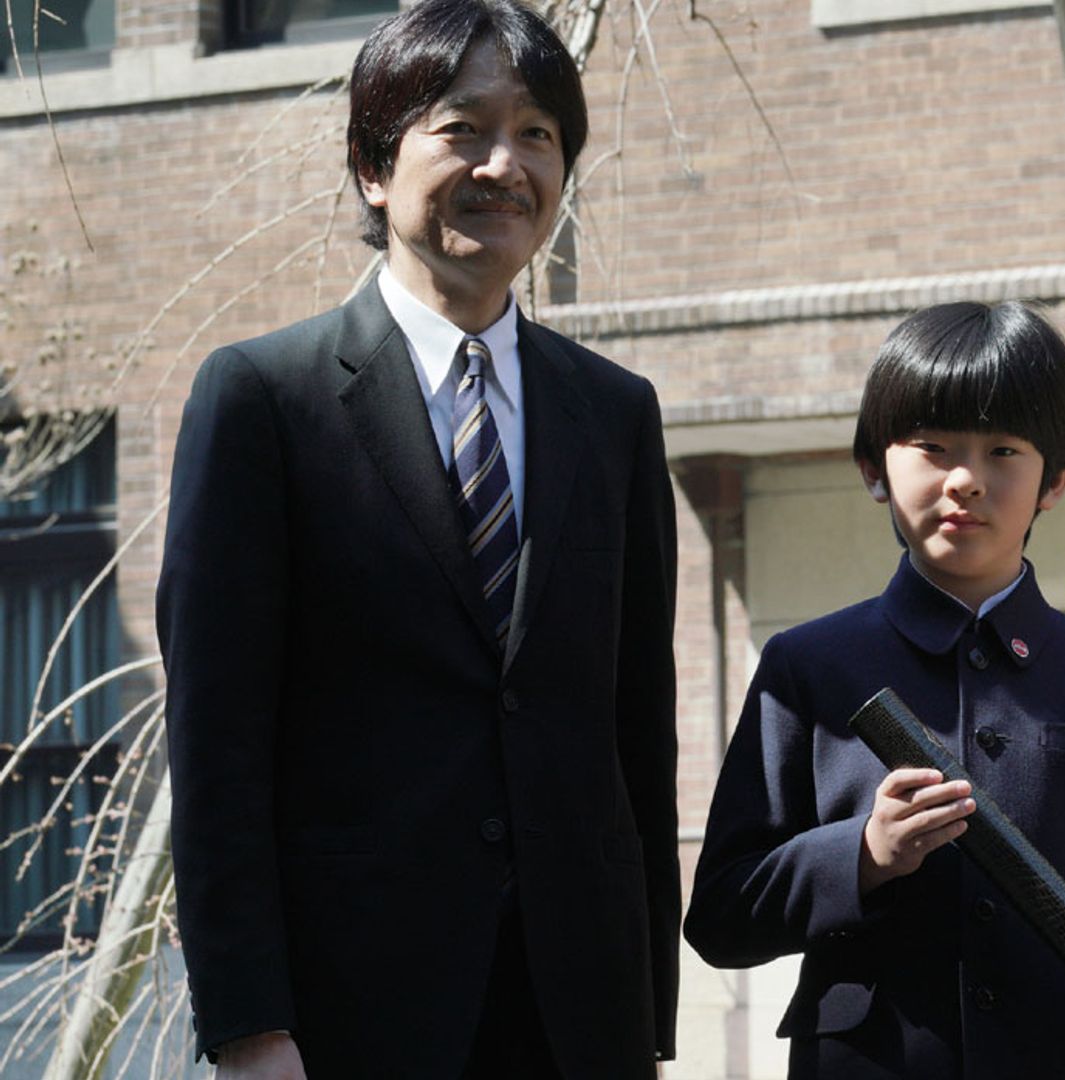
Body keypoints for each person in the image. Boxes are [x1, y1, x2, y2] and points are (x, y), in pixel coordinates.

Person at [156, 0, 679, 1075]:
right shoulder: (266, 399)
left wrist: (646, 1017)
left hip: (577, 1015)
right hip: (354, 1014)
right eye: (464, 127)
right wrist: (250, 1026)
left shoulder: (615, 413)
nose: (505, 163)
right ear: (372, 166)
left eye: (538, 133)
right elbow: (217, 745)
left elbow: (637, 733)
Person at [684, 301, 1065, 1079]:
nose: (967, 480)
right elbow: (722, 916)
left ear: (1057, 478)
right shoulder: (808, 667)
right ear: (874, 468)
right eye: (933, 448)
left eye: (1004, 449)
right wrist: (863, 855)